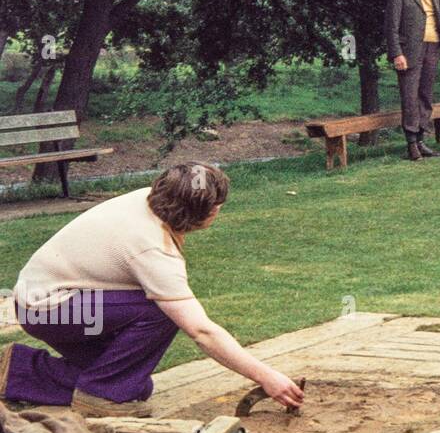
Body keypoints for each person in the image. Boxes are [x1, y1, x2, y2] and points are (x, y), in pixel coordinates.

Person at [1, 165, 304, 416]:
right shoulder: (153, 250)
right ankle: (98, 398)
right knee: (160, 313)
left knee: (135, 386)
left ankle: (19, 370)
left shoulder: (151, 199)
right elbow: (201, 331)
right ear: (209, 213)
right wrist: (266, 376)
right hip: (51, 310)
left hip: (40, 303)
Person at [385, 0, 440, 162]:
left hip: (432, 47)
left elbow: (435, 17)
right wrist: (397, 53)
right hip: (410, 51)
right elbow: (391, 26)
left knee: (425, 95)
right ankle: (411, 143)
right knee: (410, 97)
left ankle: (422, 140)